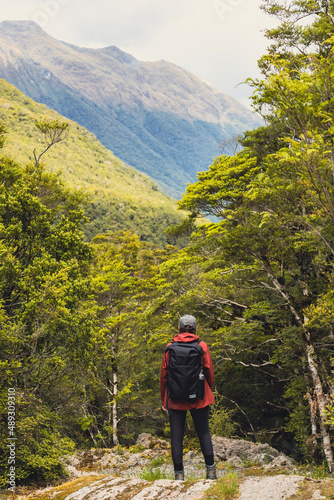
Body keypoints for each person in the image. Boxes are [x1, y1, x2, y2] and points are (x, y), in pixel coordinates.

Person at [160, 314, 216, 481]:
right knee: (204, 432)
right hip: (199, 396)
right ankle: (211, 472)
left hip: (175, 399)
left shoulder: (169, 347)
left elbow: (164, 375)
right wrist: (208, 389)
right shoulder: (202, 346)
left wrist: (164, 397)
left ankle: (179, 475)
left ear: (179, 328)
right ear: (195, 329)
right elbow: (209, 371)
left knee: (176, 436)